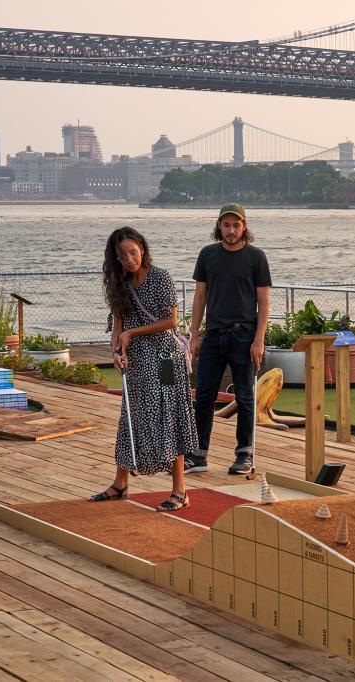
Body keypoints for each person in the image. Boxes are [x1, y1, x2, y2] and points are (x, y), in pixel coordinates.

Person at [92, 226, 197, 511]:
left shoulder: (161, 277)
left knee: (169, 415)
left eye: (133, 252)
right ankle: (120, 483)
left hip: (166, 359)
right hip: (137, 360)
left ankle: (180, 491)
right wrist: (116, 351)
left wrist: (132, 334)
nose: (129, 260)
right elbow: (118, 324)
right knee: (131, 415)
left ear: (142, 248)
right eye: (123, 256)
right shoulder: (121, 284)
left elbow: (171, 321)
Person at [188, 203, 271, 475]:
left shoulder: (256, 257)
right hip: (213, 335)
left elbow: (264, 301)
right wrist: (194, 335)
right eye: (226, 225)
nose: (231, 230)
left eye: (236, 225)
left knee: (245, 397)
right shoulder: (207, 255)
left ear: (244, 226)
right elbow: (200, 296)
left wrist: (259, 339)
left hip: (244, 336)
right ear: (219, 227)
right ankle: (199, 454)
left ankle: (244, 455)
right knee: (203, 397)